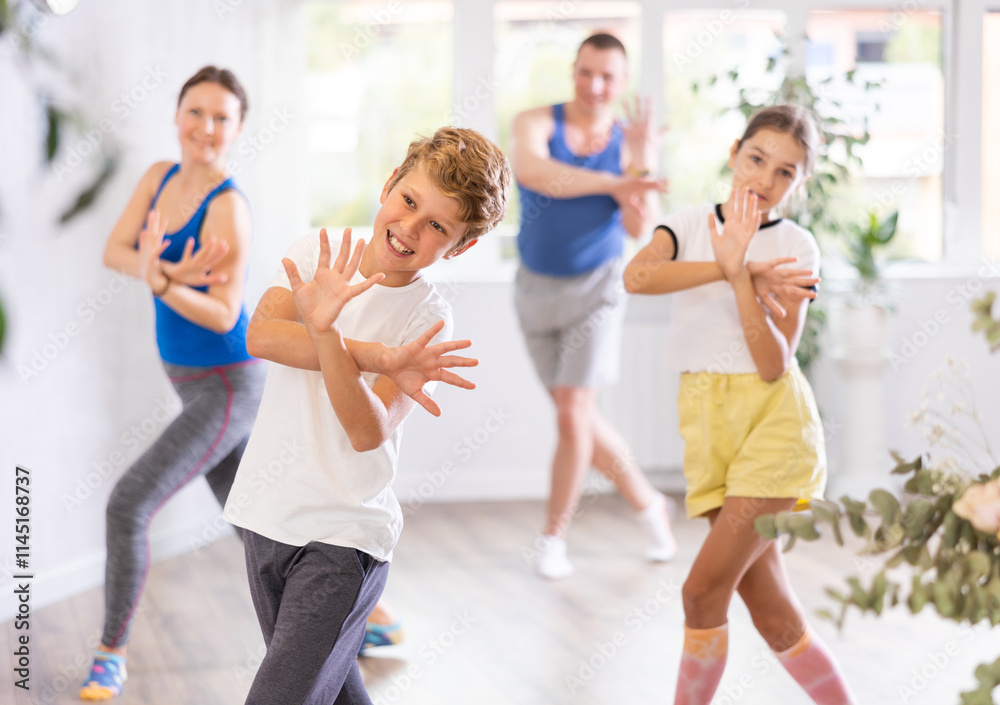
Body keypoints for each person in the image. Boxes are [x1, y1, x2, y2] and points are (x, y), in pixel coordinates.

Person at [222, 127, 511, 704]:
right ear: (389, 186)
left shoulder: (427, 321)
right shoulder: (317, 254)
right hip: (267, 517)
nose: (409, 228)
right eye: (409, 202)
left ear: (459, 247)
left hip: (344, 540)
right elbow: (262, 335)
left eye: (437, 226)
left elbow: (366, 430)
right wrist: (373, 355)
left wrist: (327, 334)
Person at [624, 105, 857, 705]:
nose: (764, 178)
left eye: (785, 172)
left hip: (774, 426)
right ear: (734, 153)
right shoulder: (687, 224)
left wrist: (740, 279)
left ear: (799, 186)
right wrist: (729, 264)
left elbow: (775, 363)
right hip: (706, 426)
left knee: (701, 593)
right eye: (757, 159)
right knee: (773, 612)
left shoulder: (796, 247)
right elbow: (638, 277)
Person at [79, 66, 265, 701]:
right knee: (255, 522)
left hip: (227, 383)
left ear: (238, 130)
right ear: (178, 114)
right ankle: (363, 614)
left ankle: (110, 654)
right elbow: (114, 250)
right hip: (192, 384)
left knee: (129, 504)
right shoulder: (159, 178)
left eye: (222, 118)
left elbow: (223, 313)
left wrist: (161, 279)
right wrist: (160, 267)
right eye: (196, 112)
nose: (206, 128)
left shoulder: (229, 207)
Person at [509, 32, 677, 579]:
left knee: (571, 414)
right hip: (533, 291)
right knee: (579, 418)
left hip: (597, 290)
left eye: (607, 77)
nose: (595, 85)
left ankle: (553, 538)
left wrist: (643, 158)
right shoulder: (536, 122)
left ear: (622, 83)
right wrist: (618, 180)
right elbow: (538, 174)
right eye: (586, 73)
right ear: (573, 71)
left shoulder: (629, 146)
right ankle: (651, 505)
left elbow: (639, 225)